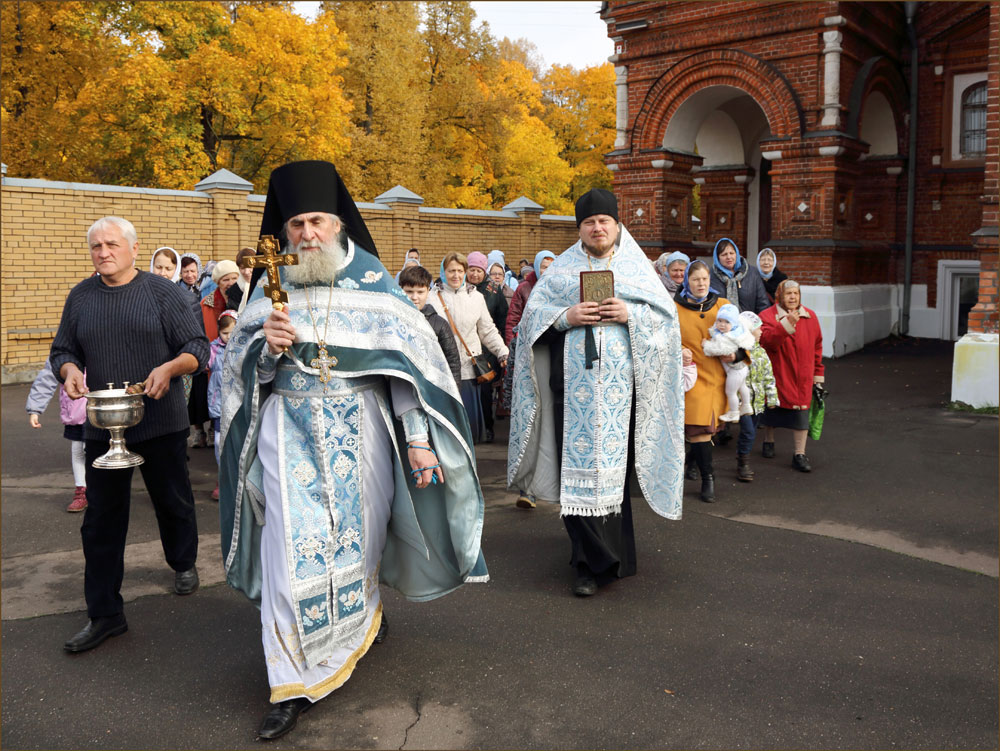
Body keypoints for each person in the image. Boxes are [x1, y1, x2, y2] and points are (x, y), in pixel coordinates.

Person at [218, 160, 487, 741]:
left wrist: (418, 443)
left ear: (339, 223)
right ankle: (292, 681)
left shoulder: (376, 285)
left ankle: (362, 623)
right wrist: (265, 350)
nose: (306, 234)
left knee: (357, 545)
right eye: (295, 224)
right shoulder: (270, 289)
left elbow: (408, 372)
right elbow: (240, 379)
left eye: (316, 221)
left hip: (362, 433)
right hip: (286, 435)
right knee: (292, 552)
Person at [507, 188, 685, 597]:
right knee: (577, 479)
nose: (598, 228)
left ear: (617, 225)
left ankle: (619, 554)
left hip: (624, 396)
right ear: (580, 229)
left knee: (614, 480)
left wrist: (631, 314)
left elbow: (666, 326)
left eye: (604, 221)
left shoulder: (638, 271)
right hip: (570, 393)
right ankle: (588, 565)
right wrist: (565, 317)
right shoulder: (561, 272)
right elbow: (531, 325)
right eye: (590, 223)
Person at [50, 216, 208, 653]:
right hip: (103, 426)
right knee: (101, 519)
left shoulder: (164, 293)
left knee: (172, 501)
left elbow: (196, 348)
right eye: (96, 246)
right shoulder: (81, 297)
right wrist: (67, 371)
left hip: (160, 422)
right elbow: (63, 349)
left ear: (134, 249)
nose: (103, 252)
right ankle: (104, 614)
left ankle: (183, 561)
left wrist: (170, 368)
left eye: (112, 244)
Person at [428, 252, 509, 444]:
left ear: (464, 272)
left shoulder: (477, 298)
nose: (455, 275)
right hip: (442, 369)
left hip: (469, 372)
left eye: (459, 271)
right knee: (445, 430)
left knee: (469, 431)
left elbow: (487, 331)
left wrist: (502, 351)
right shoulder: (431, 298)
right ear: (443, 271)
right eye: (451, 271)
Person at [673, 260, 731, 502]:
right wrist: (678, 351)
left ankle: (693, 463)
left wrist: (736, 353)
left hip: (720, 376)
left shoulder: (723, 305)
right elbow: (662, 339)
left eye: (705, 279)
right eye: (695, 279)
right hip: (692, 377)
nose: (700, 284)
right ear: (687, 281)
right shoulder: (674, 308)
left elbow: (742, 336)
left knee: (708, 429)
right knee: (698, 429)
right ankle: (709, 478)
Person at [758, 279, 824, 472]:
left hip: (803, 376)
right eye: (789, 294)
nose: (793, 297)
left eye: (796, 293)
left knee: (801, 413)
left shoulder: (810, 316)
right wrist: (786, 324)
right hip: (779, 374)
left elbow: (817, 347)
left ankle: (799, 454)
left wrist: (818, 375)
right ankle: (768, 440)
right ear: (780, 296)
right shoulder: (767, 316)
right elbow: (768, 341)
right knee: (772, 409)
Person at [26, 355, 89, 512]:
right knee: (78, 450)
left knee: (98, 452)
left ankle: (102, 491)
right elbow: (46, 379)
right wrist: (35, 408)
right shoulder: (64, 350)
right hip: (75, 412)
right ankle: (82, 491)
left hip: (101, 412)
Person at [466, 251, 508, 443]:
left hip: (487, 350)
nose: (474, 274)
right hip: (465, 348)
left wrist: (500, 347)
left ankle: (487, 428)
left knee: (484, 391)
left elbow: (502, 318)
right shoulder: (460, 288)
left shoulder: (493, 290)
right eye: (471, 270)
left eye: (478, 270)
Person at [733, 311, 780, 482]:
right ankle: (743, 464)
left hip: (757, 402)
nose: (761, 332)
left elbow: (769, 376)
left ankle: (741, 458)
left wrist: (772, 398)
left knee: (750, 431)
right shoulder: (738, 352)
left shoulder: (761, 353)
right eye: (758, 329)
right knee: (748, 431)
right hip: (742, 402)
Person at [399, 264, 462, 385]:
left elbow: (453, 362)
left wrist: (453, 397)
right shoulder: (393, 320)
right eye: (409, 292)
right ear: (400, 289)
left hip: (432, 388)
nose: (414, 297)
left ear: (428, 291)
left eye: (420, 292)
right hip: (400, 389)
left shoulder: (439, 324)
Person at [701, 303, 756, 422]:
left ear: (734, 323)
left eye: (727, 322)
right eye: (719, 320)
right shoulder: (738, 331)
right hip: (741, 367)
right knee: (742, 387)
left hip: (735, 371)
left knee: (730, 392)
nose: (722, 325)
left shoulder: (728, 337)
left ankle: (734, 412)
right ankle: (746, 406)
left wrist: (706, 345)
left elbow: (719, 349)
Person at [206, 310, 238, 501]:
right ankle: (221, 477)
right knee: (219, 442)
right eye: (225, 333)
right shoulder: (213, 348)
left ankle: (236, 479)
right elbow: (204, 365)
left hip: (237, 402)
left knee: (237, 441)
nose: (228, 337)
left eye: (232, 332)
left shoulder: (244, 347)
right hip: (218, 404)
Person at [710, 237, 770, 314]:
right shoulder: (711, 275)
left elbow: (763, 304)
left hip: (749, 324)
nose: (729, 257)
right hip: (721, 324)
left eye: (731, 253)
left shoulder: (752, 273)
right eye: (724, 254)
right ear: (718, 258)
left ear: (737, 254)